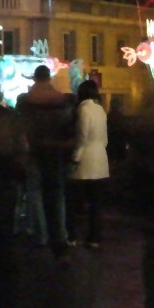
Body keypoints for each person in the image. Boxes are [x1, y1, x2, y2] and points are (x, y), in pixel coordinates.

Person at [16, 65, 74, 259]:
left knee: (35, 195)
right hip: (55, 152)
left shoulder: (24, 101)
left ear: (35, 79)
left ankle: (41, 235)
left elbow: (21, 128)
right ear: (49, 78)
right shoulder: (62, 100)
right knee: (57, 196)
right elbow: (69, 128)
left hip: (33, 152)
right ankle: (60, 237)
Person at [66, 79, 109, 248]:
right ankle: (94, 237)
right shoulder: (100, 110)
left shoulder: (83, 110)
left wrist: (75, 157)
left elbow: (81, 138)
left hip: (85, 161)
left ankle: (72, 236)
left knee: (73, 201)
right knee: (95, 203)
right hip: (100, 159)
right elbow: (105, 139)